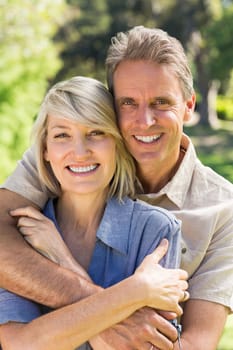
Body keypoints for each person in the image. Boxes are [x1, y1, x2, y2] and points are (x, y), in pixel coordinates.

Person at [0, 25, 233, 349]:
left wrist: (62, 261)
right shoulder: (66, 161)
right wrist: (123, 301)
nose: (145, 120)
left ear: (189, 106)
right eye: (128, 103)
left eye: (161, 102)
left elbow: (193, 345)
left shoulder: (222, 209)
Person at [0, 76, 188, 350]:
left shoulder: (156, 230)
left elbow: (136, 347)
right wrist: (136, 291)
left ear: (117, 143)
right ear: (45, 151)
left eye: (96, 132)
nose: (80, 152)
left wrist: (62, 258)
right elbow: (23, 345)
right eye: (62, 135)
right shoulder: (22, 232)